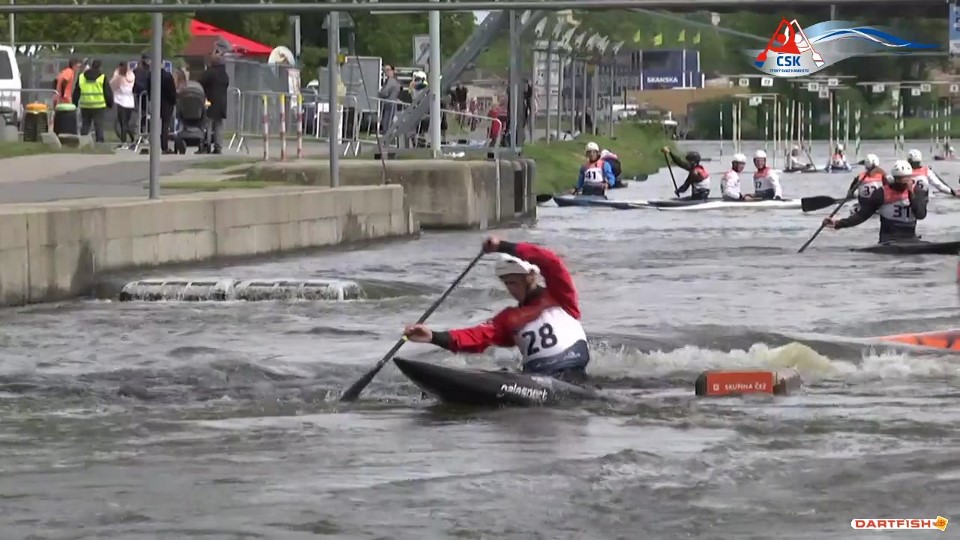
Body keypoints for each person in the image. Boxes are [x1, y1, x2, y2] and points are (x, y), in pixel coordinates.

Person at [403, 236, 590, 384]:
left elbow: (551, 262)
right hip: (537, 378)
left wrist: (503, 246)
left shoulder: (561, 296)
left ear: (532, 276)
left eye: (515, 282)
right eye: (507, 284)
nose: (512, 289)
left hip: (572, 373)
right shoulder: (509, 318)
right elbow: (477, 337)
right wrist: (433, 337)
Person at [823, 160, 928, 243]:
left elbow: (921, 215)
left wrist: (910, 193)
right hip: (889, 239)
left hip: (910, 238)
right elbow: (862, 216)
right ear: (895, 178)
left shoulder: (917, 192)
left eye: (906, 178)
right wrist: (838, 224)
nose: (904, 182)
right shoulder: (881, 193)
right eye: (900, 179)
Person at [72, 59, 114, 143]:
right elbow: (107, 92)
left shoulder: (82, 77)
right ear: (100, 67)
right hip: (99, 106)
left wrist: (75, 103)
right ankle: (99, 142)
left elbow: (76, 91)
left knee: (85, 125)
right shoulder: (102, 77)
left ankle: (83, 142)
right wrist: (110, 104)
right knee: (99, 125)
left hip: (85, 105)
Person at [199, 52, 230, 154]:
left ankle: (206, 145)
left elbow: (201, 82)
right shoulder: (224, 74)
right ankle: (218, 146)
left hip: (210, 101)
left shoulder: (210, 73)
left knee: (207, 123)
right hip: (222, 102)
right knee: (218, 124)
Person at [110, 62, 137, 147]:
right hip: (130, 102)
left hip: (120, 101)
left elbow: (112, 84)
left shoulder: (119, 77)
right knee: (125, 123)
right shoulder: (131, 75)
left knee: (122, 123)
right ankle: (132, 138)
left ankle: (124, 142)